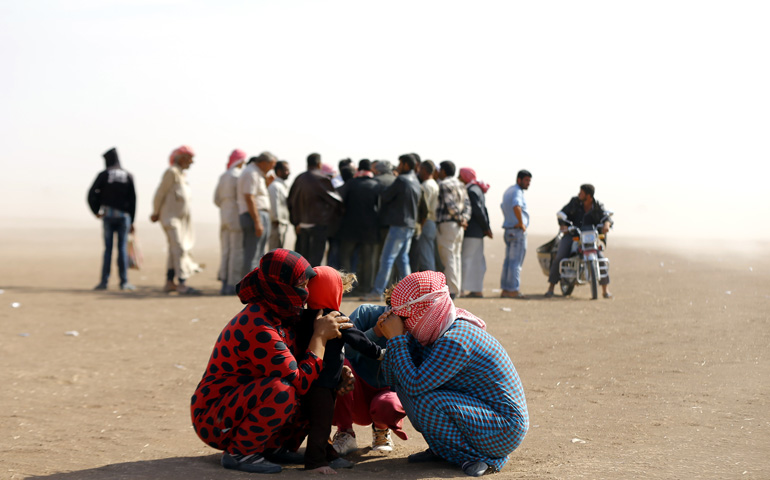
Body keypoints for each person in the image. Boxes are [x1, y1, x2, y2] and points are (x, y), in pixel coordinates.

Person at [190, 249, 353, 474]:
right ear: (281, 286)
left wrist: (336, 373)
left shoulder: (283, 314)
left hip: (246, 404)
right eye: (300, 285)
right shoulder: (258, 324)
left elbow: (303, 366)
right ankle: (241, 452)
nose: (305, 292)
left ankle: (272, 446)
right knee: (282, 390)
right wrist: (319, 337)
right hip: (215, 418)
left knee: (322, 383)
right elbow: (299, 381)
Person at [377, 271, 529, 477]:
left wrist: (396, 340)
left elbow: (414, 384)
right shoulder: (432, 331)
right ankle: (444, 451)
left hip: (504, 427)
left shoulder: (455, 340)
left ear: (425, 310)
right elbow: (393, 378)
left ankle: (489, 459)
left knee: (426, 402)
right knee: (409, 389)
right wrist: (393, 337)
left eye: (403, 316)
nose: (402, 322)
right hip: (480, 416)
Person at [296, 266, 384, 473]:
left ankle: (328, 454)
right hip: (323, 383)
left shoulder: (302, 316)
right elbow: (359, 340)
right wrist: (379, 353)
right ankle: (316, 462)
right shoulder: (334, 317)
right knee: (322, 423)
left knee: (317, 420)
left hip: (307, 379)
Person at [331, 303, 408, 456]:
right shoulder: (366, 313)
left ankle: (381, 429)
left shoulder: (418, 325)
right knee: (339, 365)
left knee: (389, 405)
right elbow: (342, 349)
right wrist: (375, 332)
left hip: (389, 391)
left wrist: (398, 338)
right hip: (355, 391)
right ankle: (345, 432)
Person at [362, 154, 421, 302]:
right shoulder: (416, 181)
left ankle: (377, 291)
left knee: (387, 258)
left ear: (406, 165)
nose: (398, 166)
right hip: (410, 225)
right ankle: (411, 294)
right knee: (402, 260)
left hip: (399, 225)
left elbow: (386, 195)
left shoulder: (401, 180)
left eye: (400, 164)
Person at [545, 183, 614, 299]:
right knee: (560, 256)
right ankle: (551, 288)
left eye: (581, 193)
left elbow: (606, 217)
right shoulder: (574, 202)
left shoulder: (597, 206)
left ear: (589, 196)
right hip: (573, 234)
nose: (579, 194)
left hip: (590, 237)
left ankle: (605, 290)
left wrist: (606, 225)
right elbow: (563, 214)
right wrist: (564, 226)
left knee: (601, 259)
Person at [151, 145, 201, 295]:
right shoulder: (171, 172)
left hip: (181, 221)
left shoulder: (182, 175)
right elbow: (160, 193)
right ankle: (182, 283)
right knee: (179, 249)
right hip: (171, 219)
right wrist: (155, 211)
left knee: (175, 251)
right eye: (190, 159)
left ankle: (169, 282)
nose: (191, 162)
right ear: (182, 158)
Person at [87, 147, 137, 291]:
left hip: (108, 216)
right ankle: (124, 282)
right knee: (121, 249)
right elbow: (133, 200)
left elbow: (91, 194)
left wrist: (96, 211)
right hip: (124, 218)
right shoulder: (128, 175)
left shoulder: (104, 174)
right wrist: (132, 220)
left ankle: (104, 282)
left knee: (108, 249)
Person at [337, 159, 385, 296]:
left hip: (350, 227)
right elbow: (380, 207)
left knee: (345, 256)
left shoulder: (351, 183)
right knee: (368, 260)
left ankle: (346, 287)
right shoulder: (376, 185)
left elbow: (341, 202)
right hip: (370, 229)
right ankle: (365, 288)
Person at [287, 153, 344, 267]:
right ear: (319, 164)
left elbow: (290, 201)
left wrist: (296, 222)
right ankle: (312, 285)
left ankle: (300, 284)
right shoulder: (321, 178)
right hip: (318, 225)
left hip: (302, 225)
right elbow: (336, 201)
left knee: (301, 262)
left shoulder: (299, 178)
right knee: (315, 263)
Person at [435, 161, 471, 299]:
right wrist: (464, 218)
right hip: (459, 226)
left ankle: (451, 290)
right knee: (455, 256)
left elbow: (450, 206)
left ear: (443, 171)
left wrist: (459, 218)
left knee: (448, 257)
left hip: (448, 224)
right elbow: (468, 205)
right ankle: (456, 288)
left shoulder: (444, 184)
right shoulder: (461, 184)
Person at [238, 152, 276, 278]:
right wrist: (257, 221)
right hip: (254, 215)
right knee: (252, 253)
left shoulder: (257, 174)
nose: (272, 168)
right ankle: (249, 286)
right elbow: (249, 197)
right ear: (263, 163)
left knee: (259, 253)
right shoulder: (251, 173)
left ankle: (255, 285)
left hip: (259, 215)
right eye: (271, 165)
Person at [214, 149, 247, 295]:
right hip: (236, 217)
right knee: (236, 251)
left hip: (224, 216)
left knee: (226, 251)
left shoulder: (223, 176)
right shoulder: (239, 176)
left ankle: (223, 283)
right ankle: (232, 284)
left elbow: (216, 199)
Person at [459, 167, 492, 298]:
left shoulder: (471, 190)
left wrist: (486, 227)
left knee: (466, 260)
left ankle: (461, 289)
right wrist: (486, 228)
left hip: (471, 231)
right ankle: (476, 289)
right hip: (478, 232)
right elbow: (484, 210)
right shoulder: (478, 189)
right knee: (477, 260)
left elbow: (478, 211)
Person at [500, 170, 532, 299]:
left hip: (508, 229)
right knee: (515, 262)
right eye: (526, 180)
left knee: (508, 261)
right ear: (519, 180)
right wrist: (521, 223)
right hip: (516, 230)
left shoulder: (509, 191)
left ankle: (506, 289)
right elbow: (516, 206)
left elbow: (503, 206)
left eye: (529, 181)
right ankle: (513, 289)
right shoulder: (517, 192)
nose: (528, 183)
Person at [414, 160, 439, 272]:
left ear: (424, 170)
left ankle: (430, 285)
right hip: (431, 223)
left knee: (426, 256)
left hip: (427, 222)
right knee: (428, 253)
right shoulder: (434, 184)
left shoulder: (426, 186)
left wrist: (421, 225)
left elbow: (425, 209)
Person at [268, 160, 291, 251]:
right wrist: (276, 220)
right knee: (274, 253)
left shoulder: (282, 186)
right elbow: (274, 205)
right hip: (277, 225)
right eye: (286, 170)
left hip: (282, 224)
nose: (289, 173)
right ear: (279, 171)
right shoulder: (275, 186)